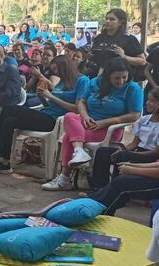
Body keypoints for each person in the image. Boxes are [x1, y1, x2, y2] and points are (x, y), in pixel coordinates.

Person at [43, 58, 143, 190]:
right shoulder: (96, 82)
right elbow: (81, 102)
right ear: (108, 76)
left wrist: (106, 122)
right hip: (87, 123)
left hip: (109, 129)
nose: (121, 81)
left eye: (124, 77)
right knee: (70, 116)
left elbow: (135, 114)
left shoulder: (132, 88)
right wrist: (85, 117)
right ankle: (78, 152)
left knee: (68, 137)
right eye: (116, 78)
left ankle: (64, 178)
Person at [0, 55, 86, 174]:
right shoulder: (63, 82)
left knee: (9, 109)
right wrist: (42, 97)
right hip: (45, 114)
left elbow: (77, 109)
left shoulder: (82, 81)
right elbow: (50, 105)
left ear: (65, 68)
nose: (57, 74)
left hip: (56, 121)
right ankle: (4, 162)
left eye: (57, 70)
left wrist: (51, 96)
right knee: (9, 121)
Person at [88, 88, 159, 190]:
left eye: (152, 101)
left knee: (122, 156)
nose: (148, 103)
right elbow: (134, 144)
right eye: (147, 100)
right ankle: (98, 187)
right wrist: (122, 150)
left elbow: (156, 153)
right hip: (138, 151)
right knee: (103, 151)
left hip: (150, 156)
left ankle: (113, 188)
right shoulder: (144, 120)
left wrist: (127, 154)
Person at [90, 8, 145, 75]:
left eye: (112, 19)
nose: (107, 21)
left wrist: (124, 57)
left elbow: (142, 61)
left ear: (121, 22)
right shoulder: (98, 38)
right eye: (106, 19)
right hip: (97, 78)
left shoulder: (129, 39)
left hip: (119, 80)